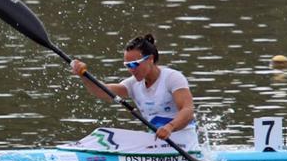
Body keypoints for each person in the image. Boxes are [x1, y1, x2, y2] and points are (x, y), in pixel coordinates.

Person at [69, 33, 200, 152]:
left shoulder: (172, 78)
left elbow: (187, 110)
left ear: (151, 59)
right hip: (157, 142)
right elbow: (102, 91)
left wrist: (170, 127)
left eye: (134, 64)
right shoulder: (133, 84)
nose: (131, 70)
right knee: (104, 134)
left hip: (183, 143)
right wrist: (84, 76)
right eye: (127, 65)